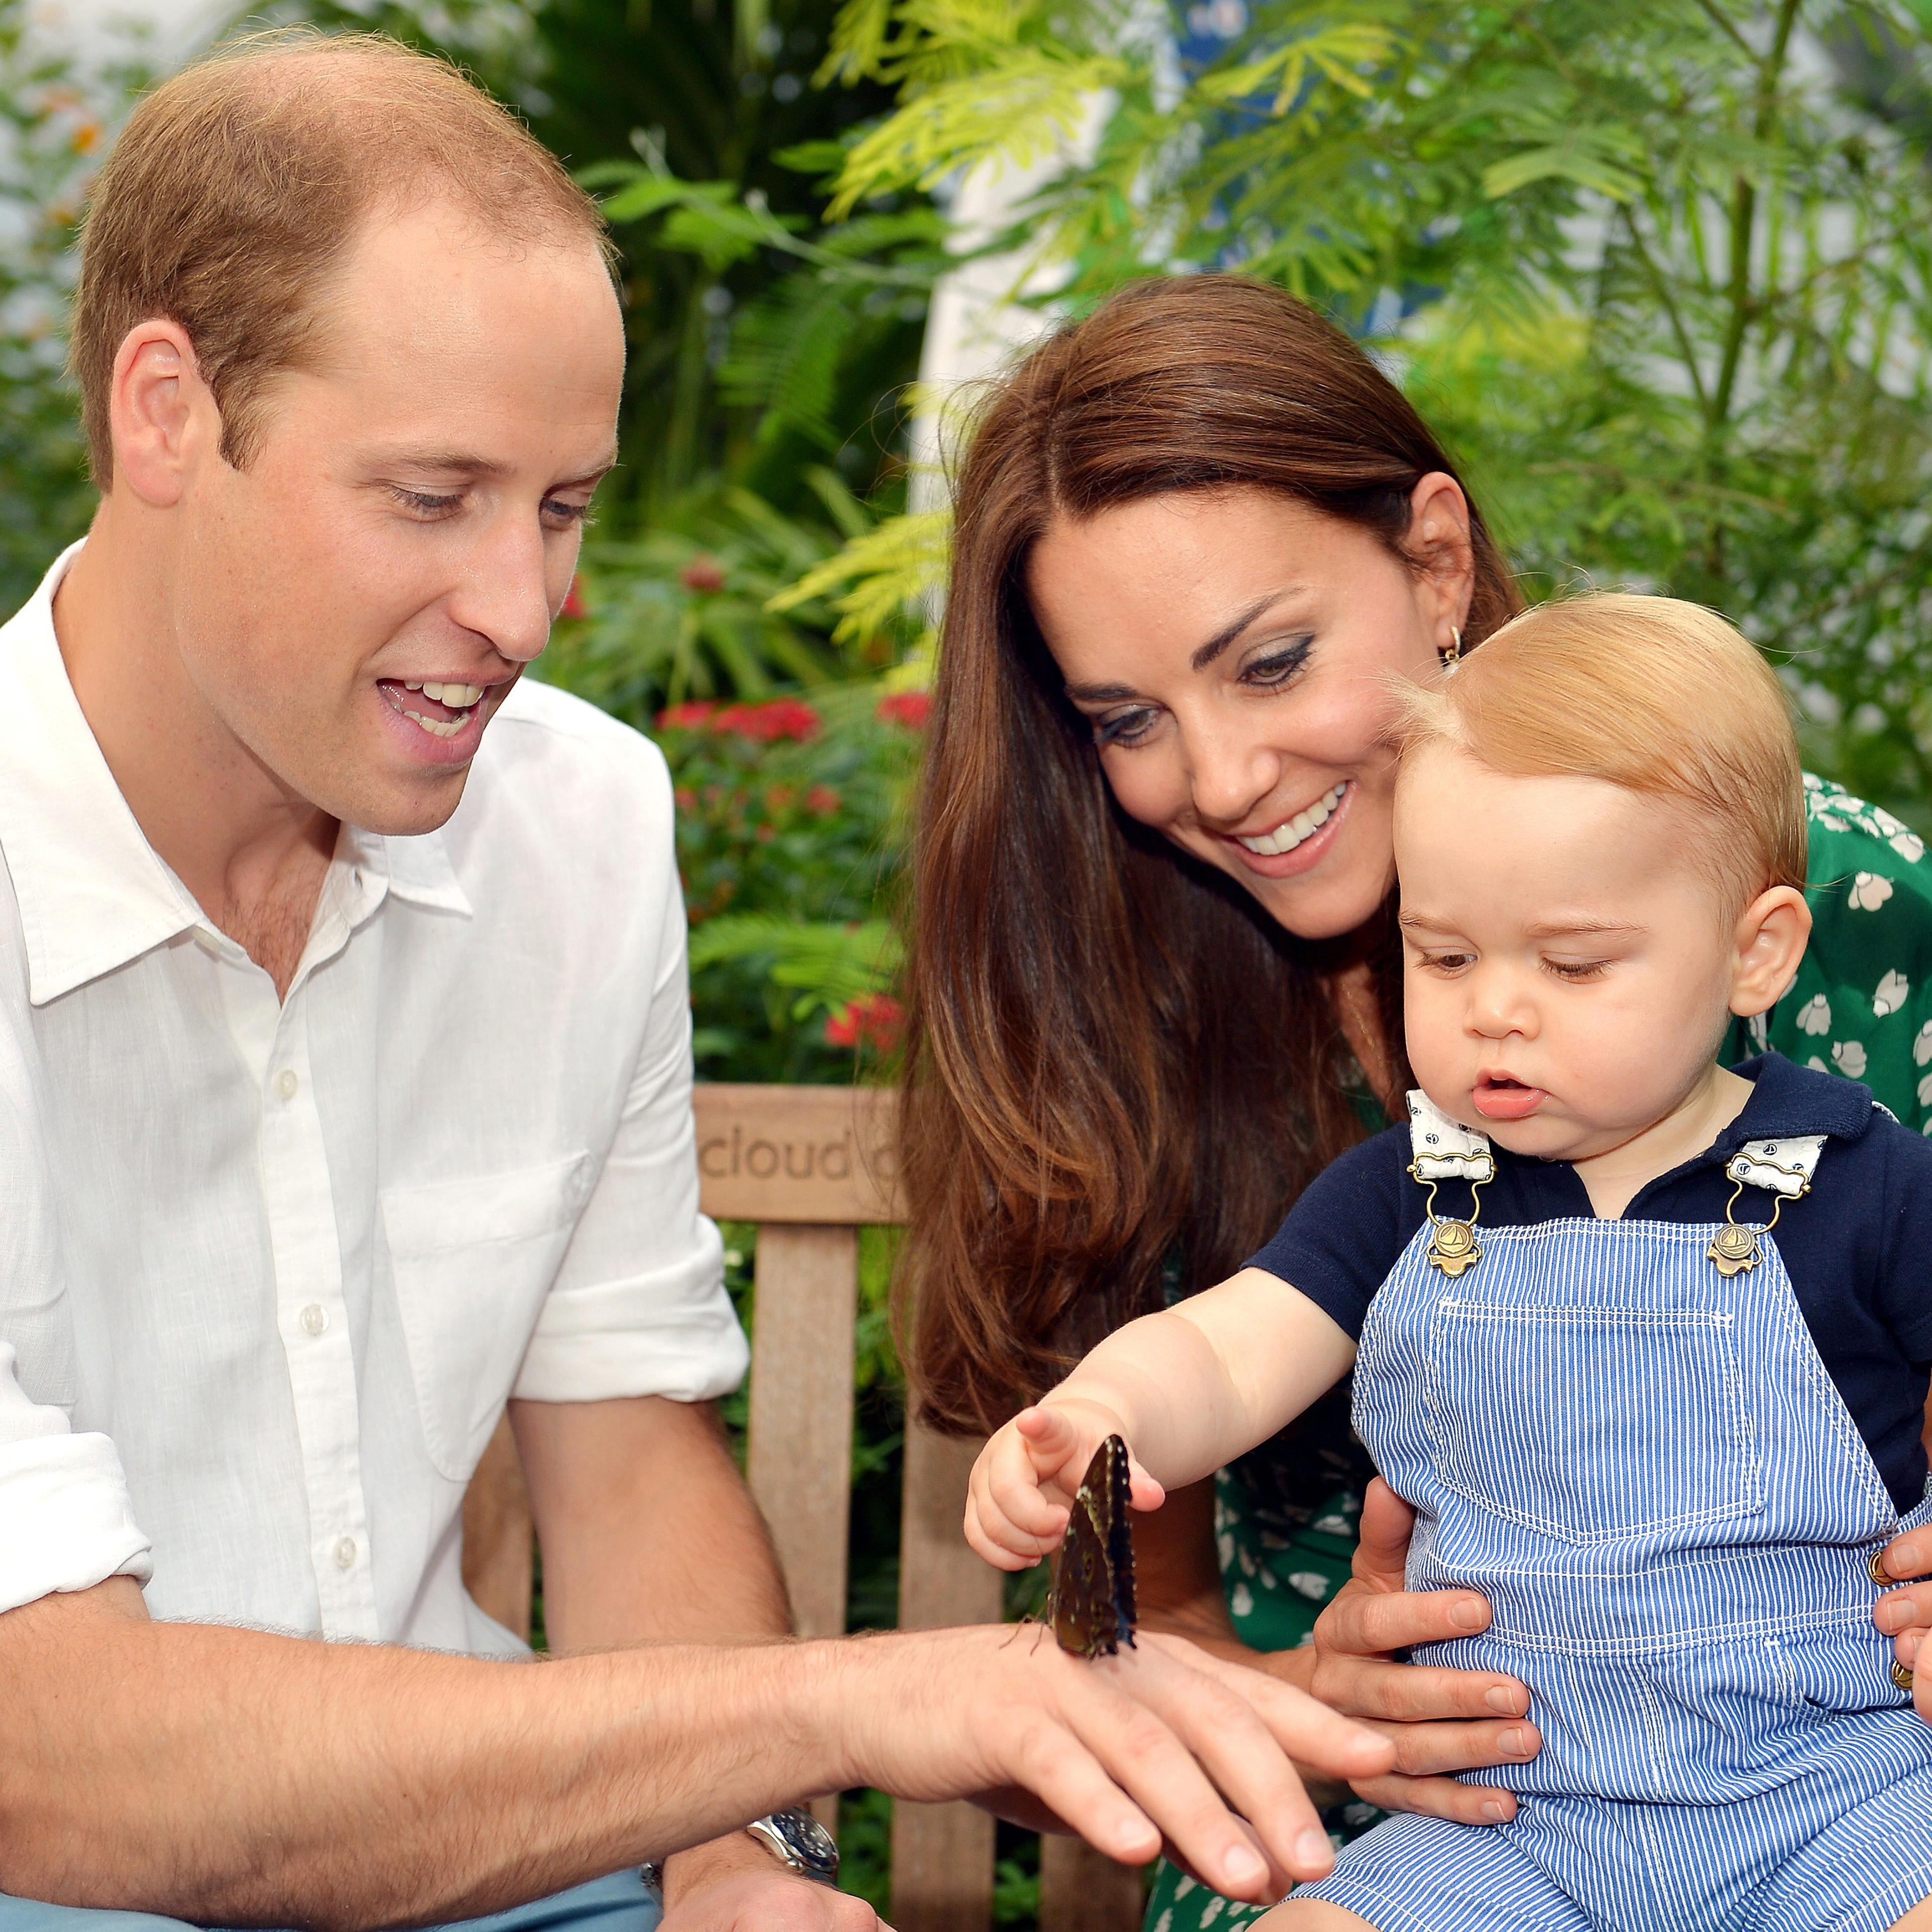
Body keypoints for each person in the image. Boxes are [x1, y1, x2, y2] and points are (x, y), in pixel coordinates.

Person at [0, 37, 1399, 1932]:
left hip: (509, 1876)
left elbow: (628, 1447)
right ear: (166, 412)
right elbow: (44, 1763)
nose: (525, 606)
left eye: (564, 506)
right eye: (435, 498)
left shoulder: (574, 822)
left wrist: (749, 1861)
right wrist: (846, 1703)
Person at [896, 273, 1932, 1931]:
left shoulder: (1774, 883)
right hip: (1438, 1837)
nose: (1222, 779)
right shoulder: (1175, 1031)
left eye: (1274, 661)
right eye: (1129, 721)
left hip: (1835, 1794)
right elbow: (1192, 1429)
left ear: (1435, 564)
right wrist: (1291, 1696)